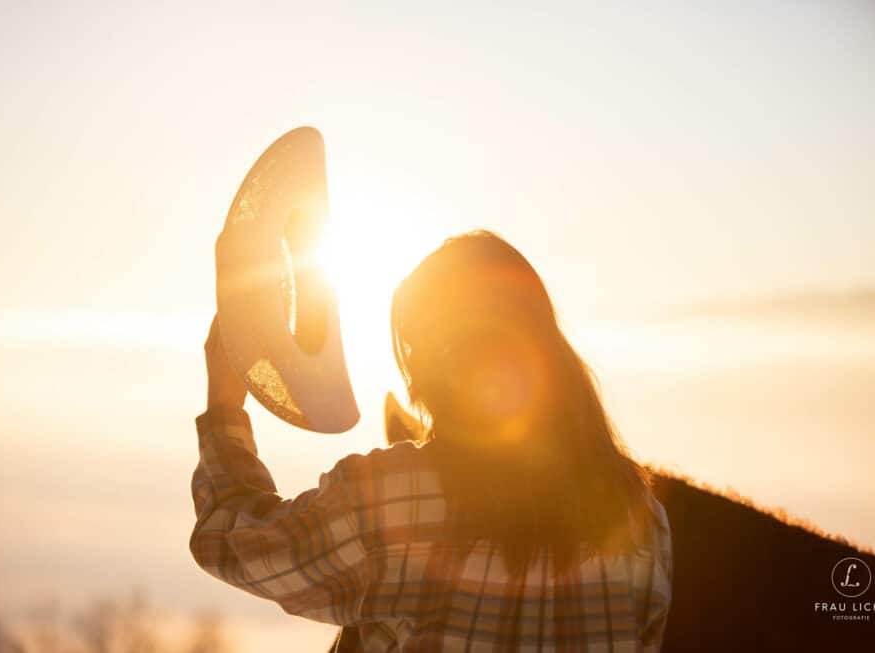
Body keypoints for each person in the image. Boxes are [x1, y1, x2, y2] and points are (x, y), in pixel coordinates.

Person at [190, 230, 672, 651]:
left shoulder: (398, 498)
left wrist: (224, 410)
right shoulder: (640, 517)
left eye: (416, 345)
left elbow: (235, 542)